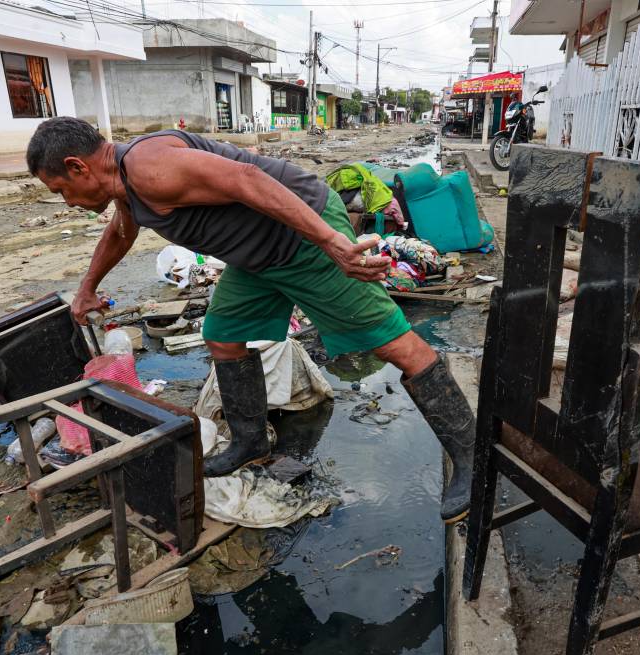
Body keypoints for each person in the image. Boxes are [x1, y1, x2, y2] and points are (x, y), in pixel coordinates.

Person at [25, 116, 474, 522]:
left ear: (78, 166)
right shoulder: (127, 182)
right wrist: (86, 287)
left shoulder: (150, 168)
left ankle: (470, 458)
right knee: (223, 334)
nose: (66, 203)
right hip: (257, 256)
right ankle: (249, 440)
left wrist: (333, 243)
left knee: (393, 344)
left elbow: (247, 176)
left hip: (305, 239)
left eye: (61, 189)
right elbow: (122, 229)